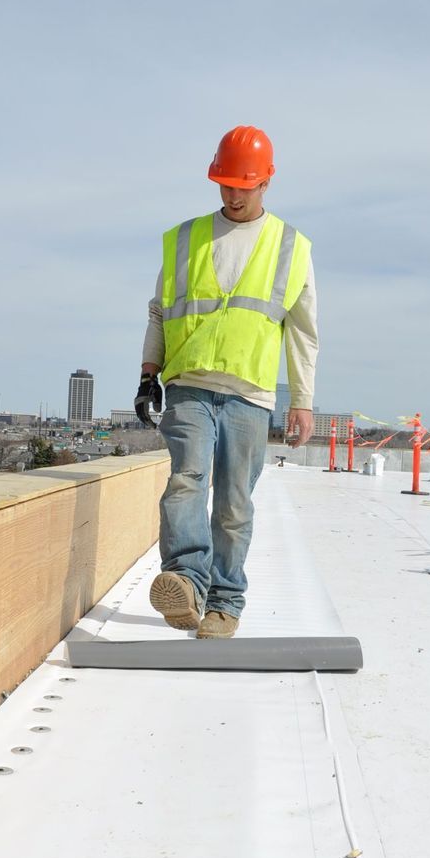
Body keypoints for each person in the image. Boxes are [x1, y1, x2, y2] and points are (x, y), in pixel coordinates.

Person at [135, 125, 318, 639]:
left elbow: (303, 333)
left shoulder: (291, 246)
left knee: (234, 502)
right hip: (189, 384)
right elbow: (159, 312)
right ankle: (186, 582)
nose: (233, 195)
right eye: (225, 184)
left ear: (267, 182)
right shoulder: (184, 239)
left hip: (251, 393)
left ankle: (224, 602)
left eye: (244, 185)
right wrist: (149, 374)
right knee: (185, 482)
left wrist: (302, 401)